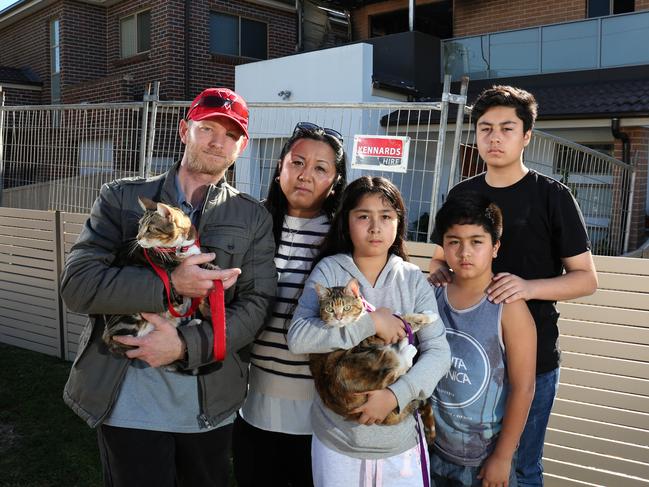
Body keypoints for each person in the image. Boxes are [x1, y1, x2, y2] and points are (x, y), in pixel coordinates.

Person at [60, 87, 277, 487]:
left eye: (231, 134)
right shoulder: (122, 199)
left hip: (208, 402)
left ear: (241, 146)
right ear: (183, 131)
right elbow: (77, 286)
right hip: (127, 399)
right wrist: (171, 285)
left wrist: (184, 346)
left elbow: (257, 304)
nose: (217, 141)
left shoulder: (252, 217)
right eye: (208, 128)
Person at [428, 85, 598, 486]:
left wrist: (526, 287)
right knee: (452, 467)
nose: (494, 137)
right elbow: (439, 258)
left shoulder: (553, 196)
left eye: (507, 128)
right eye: (485, 128)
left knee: (518, 470)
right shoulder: (461, 193)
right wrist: (438, 272)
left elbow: (586, 278)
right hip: (464, 360)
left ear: (526, 136)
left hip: (532, 365)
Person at [288, 176, 451, 487]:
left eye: (386, 217)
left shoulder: (412, 278)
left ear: (398, 223)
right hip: (337, 440)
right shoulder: (330, 269)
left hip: (399, 444)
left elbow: (440, 352)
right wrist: (370, 324)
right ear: (346, 222)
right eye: (363, 216)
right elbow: (298, 338)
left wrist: (395, 395)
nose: (375, 227)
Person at [232, 122, 348, 487]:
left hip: (320, 412)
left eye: (320, 168)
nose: (305, 175)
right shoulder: (253, 225)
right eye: (297, 162)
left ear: (335, 181)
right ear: (280, 166)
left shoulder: (343, 238)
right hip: (252, 405)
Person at [429, 192, 536, 486]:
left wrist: (502, 457)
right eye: (454, 242)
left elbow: (524, 387)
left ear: (495, 247)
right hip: (430, 448)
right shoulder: (432, 294)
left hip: (482, 460)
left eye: (476, 242)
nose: (464, 252)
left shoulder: (508, 306)